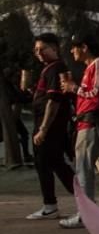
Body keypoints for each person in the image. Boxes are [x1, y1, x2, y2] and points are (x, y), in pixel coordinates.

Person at [57, 34, 99, 229]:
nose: (72, 51)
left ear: (84, 47)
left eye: (74, 47)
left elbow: (94, 94)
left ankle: (86, 214)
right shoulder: (92, 67)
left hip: (91, 125)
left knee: (83, 170)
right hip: (89, 124)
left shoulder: (98, 65)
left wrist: (73, 88)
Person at [24, 34, 75, 220]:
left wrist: (44, 128)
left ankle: (56, 204)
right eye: (36, 49)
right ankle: (52, 204)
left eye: (42, 48)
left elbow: (54, 101)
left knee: (49, 163)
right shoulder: (49, 69)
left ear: (54, 48)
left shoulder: (56, 67)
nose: (38, 53)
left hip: (51, 126)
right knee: (52, 163)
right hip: (48, 125)